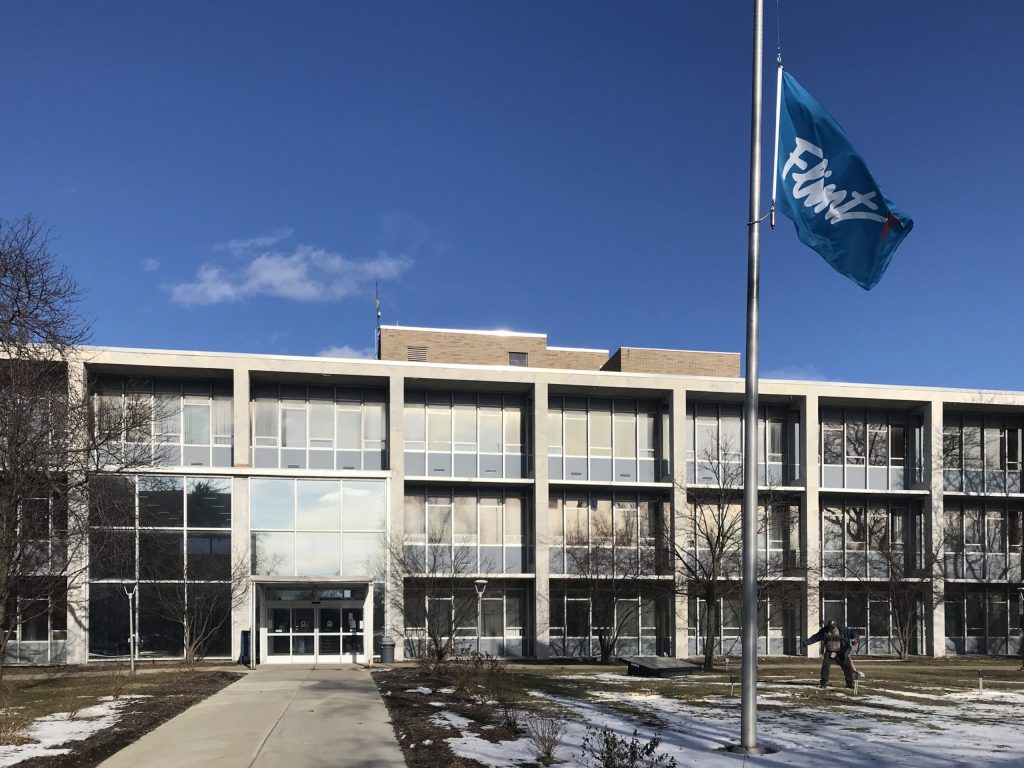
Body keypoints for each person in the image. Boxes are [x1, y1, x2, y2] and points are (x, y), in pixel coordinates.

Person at [802, 618, 863, 689]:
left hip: (841, 652)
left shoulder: (842, 630)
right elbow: (816, 637)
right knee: (825, 666)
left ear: (835, 626)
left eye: (832, 628)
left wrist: (855, 639)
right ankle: (823, 683)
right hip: (829, 651)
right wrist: (806, 642)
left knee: (847, 667)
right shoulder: (824, 631)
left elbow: (853, 632)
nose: (831, 630)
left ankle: (850, 683)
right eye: (830, 628)